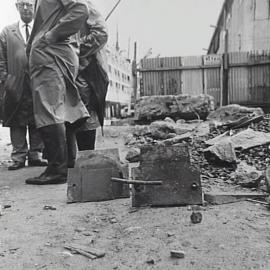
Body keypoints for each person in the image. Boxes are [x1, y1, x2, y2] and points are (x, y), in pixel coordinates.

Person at [25, 0, 90, 185]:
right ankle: (65, 162)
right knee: (62, 110)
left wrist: (51, 35)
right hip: (53, 54)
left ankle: (57, 169)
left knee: (48, 110)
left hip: (51, 55)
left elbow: (80, 9)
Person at [0, 0, 47, 170]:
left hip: (37, 81)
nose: (26, 8)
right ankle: (18, 156)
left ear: (35, 7)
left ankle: (36, 154)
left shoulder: (42, 29)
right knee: (16, 119)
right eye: (22, 5)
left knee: (37, 117)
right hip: (15, 82)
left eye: (29, 4)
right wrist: (6, 80)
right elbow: (1, 59)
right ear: (16, 7)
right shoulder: (7, 31)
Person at [66, 0, 109, 167]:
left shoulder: (85, 6)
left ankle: (86, 161)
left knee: (86, 115)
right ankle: (71, 164)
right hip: (69, 70)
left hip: (87, 71)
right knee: (69, 117)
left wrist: (75, 49)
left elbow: (101, 34)